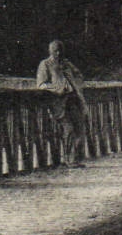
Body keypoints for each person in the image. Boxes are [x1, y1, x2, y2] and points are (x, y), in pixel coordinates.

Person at [36, 39, 88, 168]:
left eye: (60, 51)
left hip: (72, 100)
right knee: (68, 129)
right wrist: (58, 88)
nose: (58, 53)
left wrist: (76, 86)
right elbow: (41, 84)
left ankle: (74, 158)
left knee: (79, 127)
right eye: (55, 51)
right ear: (50, 51)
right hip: (58, 102)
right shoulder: (45, 64)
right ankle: (69, 159)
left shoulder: (67, 64)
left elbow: (79, 76)